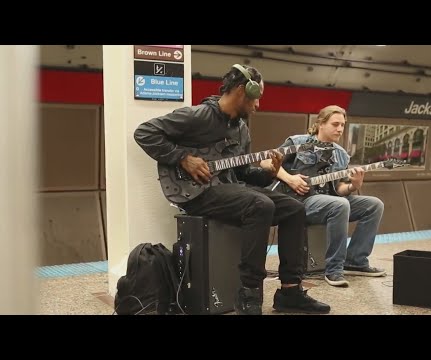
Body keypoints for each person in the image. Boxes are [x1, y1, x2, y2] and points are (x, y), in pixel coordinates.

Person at [133, 64, 330, 315]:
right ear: (241, 90)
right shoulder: (199, 115)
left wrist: (268, 172)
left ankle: (290, 291)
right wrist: (183, 157)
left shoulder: (241, 129)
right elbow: (145, 132)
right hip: (195, 192)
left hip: (229, 189)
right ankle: (249, 294)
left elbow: (245, 175)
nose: (258, 105)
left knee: (292, 208)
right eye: (257, 97)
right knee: (261, 205)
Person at [267, 105, 386, 287]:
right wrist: (290, 179)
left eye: (343, 125)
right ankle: (334, 270)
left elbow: (338, 189)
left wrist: (353, 186)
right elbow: (268, 161)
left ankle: (355, 261)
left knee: (374, 205)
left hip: (328, 201)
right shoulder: (298, 142)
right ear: (320, 124)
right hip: (300, 201)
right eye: (335, 124)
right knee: (340, 205)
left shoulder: (341, 155)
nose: (340, 129)